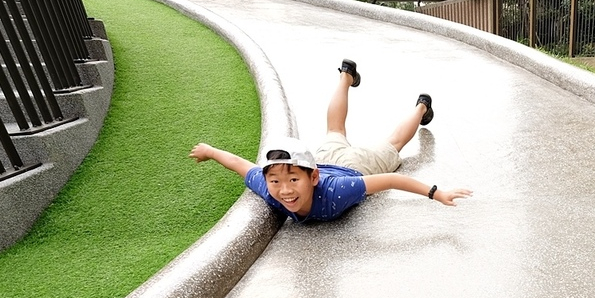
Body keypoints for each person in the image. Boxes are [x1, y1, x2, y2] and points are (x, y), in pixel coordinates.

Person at [189, 59, 471, 223]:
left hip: (353, 166)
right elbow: (241, 164)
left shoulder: (338, 191)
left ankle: (422, 107)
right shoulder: (270, 184)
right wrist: (210, 151)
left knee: (394, 144)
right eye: (276, 181)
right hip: (322, 159)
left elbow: (391, 180)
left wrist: (437, 193)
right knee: (335, 127)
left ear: (312, 179)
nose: (284, 190)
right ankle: (346, 76)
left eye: (292, 181)